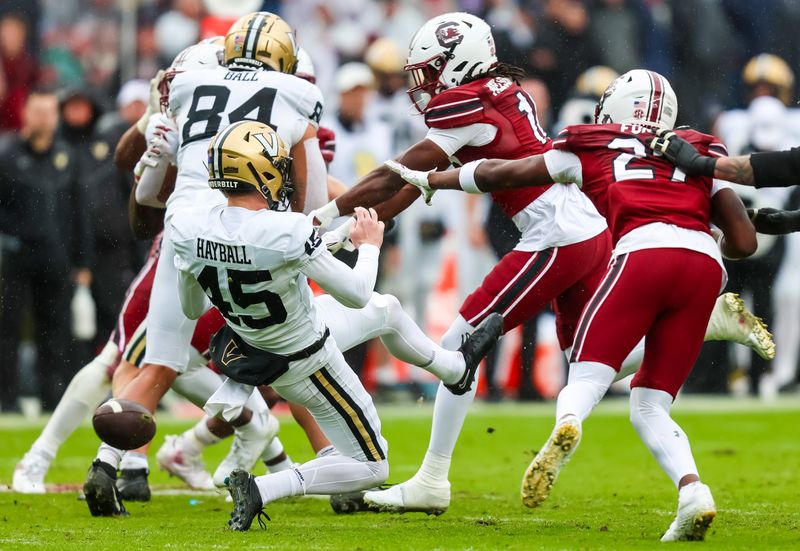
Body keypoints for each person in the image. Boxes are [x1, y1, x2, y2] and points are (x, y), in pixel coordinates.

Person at [310, 12, 773, 516]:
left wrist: (322, 218)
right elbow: (409, 182)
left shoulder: (464, 102)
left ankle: (431, 479)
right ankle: (705, 323)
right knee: (588, 361)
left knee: (459, 342)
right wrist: (350, 229)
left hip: (556, 233)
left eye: (430, 70)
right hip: (583, 229)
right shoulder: (501, 91)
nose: (423, 84)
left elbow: (397, 175)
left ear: (456, 62)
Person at [388, 69, 758, 542]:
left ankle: (567, 424)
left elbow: (505, 172)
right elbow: (743, 242)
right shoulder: (700, 146)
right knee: (649, 405)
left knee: (584, 374)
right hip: (706, 266)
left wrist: (435, 179)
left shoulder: (596, 141)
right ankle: (693, 493)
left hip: (642, 253)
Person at [170, 120, 502, 530]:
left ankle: (455, 369)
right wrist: (368, 247)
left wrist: (325, 243)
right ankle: (264, 488)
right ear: (263, 173)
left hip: (272, 335)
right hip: (306, 358)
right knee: (372, 466)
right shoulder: (285, 230)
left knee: (388, 310)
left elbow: (190, 306)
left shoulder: (190, 226)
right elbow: (355, 292)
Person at [0, 89, 93, 411]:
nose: (43, 118)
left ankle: (53, 400)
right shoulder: (7, 154)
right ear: (26, 113)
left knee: (56, 331)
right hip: (13, 258)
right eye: (37, 111)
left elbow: (80, 211)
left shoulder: (66, 157)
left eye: (49, 112)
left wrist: (83, 261)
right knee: (7, 330)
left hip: (57, 258)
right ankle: (6, 401)